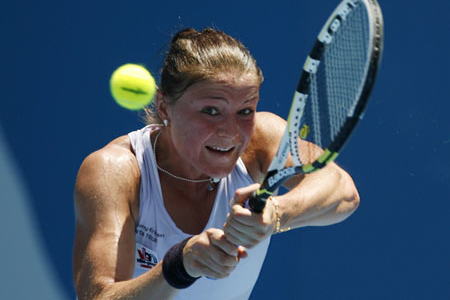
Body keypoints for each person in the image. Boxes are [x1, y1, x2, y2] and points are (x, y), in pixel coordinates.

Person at [73, 28, 360, 300]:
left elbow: (342, 191)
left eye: (245, 111)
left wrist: (276, 212)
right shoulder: (117, 169)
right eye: (211, 111)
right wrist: (179, 266)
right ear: (163, 106)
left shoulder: (261, 139)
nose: (231, 132)